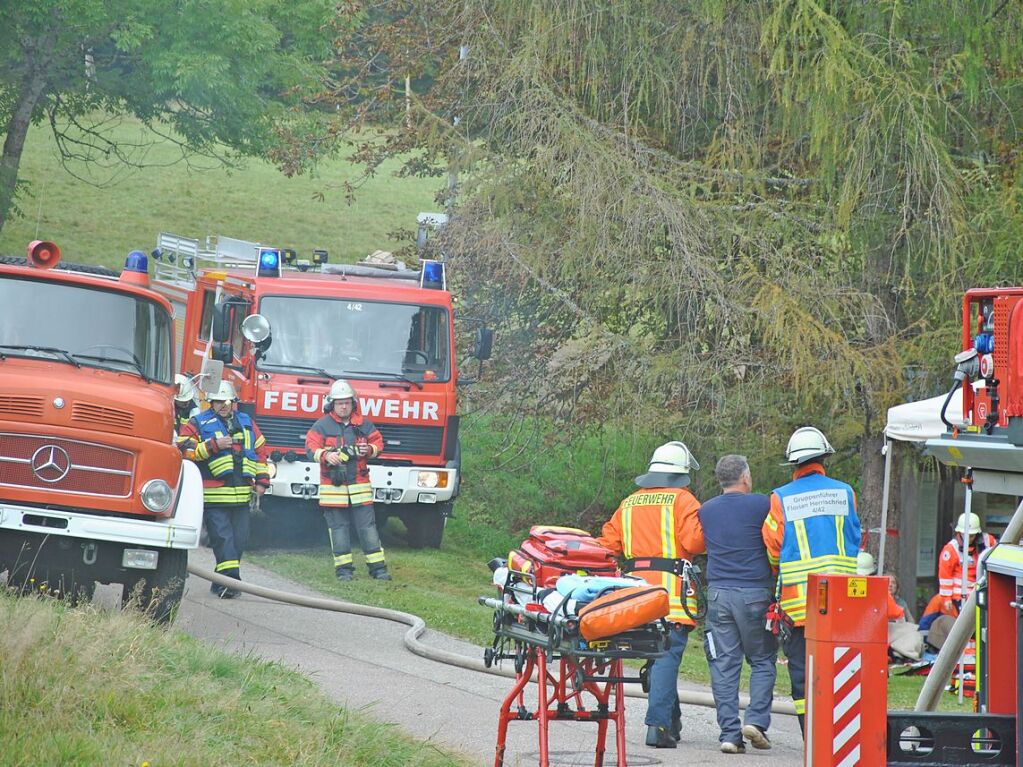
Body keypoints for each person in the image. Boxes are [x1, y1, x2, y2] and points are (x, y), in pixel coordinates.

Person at [596, 441, 705, 750]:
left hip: (635, 597)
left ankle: (671, 722)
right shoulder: (684, 501)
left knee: (659, 657)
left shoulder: (628, 503)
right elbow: (695, 543)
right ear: (682, 474)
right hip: (671, 596)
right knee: (667, 655)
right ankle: (657, 725)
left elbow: (608, 545)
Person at [762, 426, 860, 737]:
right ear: (824, 458)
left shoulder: (780, 498)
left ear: (793, 463)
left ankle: (812, 738)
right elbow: (855, 537)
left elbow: (773, 546)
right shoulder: (845, 492)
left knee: (803, 674)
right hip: (844, 601)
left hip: (798, 604)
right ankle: (841, 736)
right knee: (841, 669)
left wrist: (779, 571)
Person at [694, 455, 776, 754]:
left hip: (718, 594)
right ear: (745, 476)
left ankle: (730, 734)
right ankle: (755, 720)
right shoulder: (762, 504)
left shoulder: (706, 510)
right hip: (755, 593)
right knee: (763, 660)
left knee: (723, 666)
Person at [180, 380, 269, 598]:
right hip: (214, 496)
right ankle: (231, 585)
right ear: (211, 402)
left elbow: (260, 452)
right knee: (223, 539)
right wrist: (213, 446)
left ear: (234, 402)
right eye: (219, 401)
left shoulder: (247, 423)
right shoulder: (198, 422)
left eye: (227, 401)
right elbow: (184, 451)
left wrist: (262, 481)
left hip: (241, 496)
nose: (223, 405)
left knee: (239, 541)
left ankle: (219, 583)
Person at [305, 379, 389, 581]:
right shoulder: (321, 426)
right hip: (334, 489)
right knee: (339, 530)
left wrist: (368, 449)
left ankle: (378, 569)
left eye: (347, 402)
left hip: (359, 486)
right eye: (339, 402)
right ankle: (344, 571)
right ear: (332, 404)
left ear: (353, 403)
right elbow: (310, 448)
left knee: (368, 528)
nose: (343, 406)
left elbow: (378, 443)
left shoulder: (364, 424)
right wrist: (326, 455)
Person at [938, 512, 996, 612]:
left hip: (984, 591)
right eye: (965, 535)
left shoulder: (988, 541)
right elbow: (945, 576)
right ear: (959, 532)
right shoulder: (951, 549)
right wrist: (946, 598)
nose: (968, 539)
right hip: (961, 595)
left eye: (971, 536)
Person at [855, 551, 906, 621]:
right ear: (871, 572)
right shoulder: (877, 589)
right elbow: (896, 613)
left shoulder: (841, 588)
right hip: (872, 629)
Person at [173, 373, 200, 453]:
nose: (187, 403)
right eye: (183, 401)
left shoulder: (194, 411)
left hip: (185, 448)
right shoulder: (169, 408)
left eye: (188, 400)